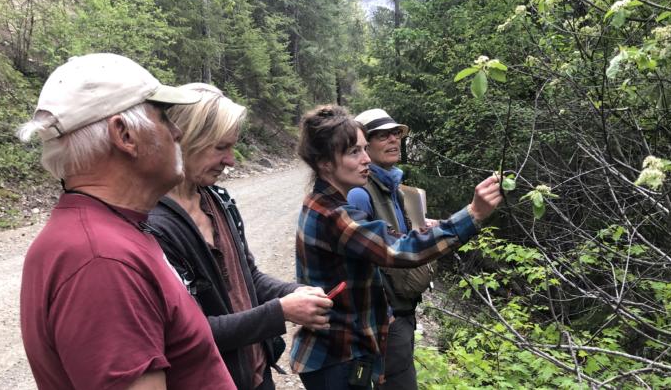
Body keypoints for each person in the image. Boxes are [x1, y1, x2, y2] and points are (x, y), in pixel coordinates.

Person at [17, 53, 236, 389]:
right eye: (163, 117)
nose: (177, 133)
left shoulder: (108, 232)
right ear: (125, 135)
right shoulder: (100, 259)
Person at [290, 105, 503, 389]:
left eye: (365, 149)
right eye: (354, 152)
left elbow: (380, 242)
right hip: (337, 358)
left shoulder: (327, 204)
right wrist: (473, 214)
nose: (366, 159)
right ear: (325, 162)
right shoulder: (334, 214)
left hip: (343, 353)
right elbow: (399, 250)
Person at [147, 83, 333, 390]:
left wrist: (299, 292)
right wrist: (281, 311)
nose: (231, 160)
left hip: (257, 377)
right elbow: (188, 332)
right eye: (220, 148)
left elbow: (249, 279)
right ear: (184, 139)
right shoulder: (154, 226)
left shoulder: (218, 201)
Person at [347, 108, 431, 390]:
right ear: (365, 146)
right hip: (387, 316)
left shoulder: (393, 185)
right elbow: (358, 259)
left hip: (403, 309)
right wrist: (385, 315)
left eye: (396, 133)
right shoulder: (360, 193)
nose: (394, 140)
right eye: (383, 136)